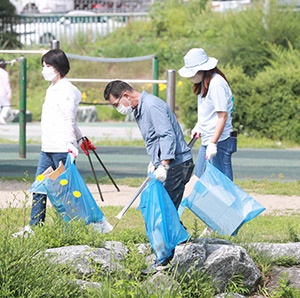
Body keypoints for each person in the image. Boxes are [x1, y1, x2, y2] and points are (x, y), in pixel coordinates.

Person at [103, 80, 194, 268]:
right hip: (166, 163)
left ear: (126, 96)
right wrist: (155, 160)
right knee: (163, 210)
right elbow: (153, 138)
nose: (117, 108)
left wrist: (165, 164)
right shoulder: (139, 109)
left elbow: (166, 135)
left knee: (163, 212)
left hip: (176, 165)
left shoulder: (152, 106)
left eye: (116, 104)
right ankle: (176, 249)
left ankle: (168, 257)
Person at [13, 49, 86, 237]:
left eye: (48, 66)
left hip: (62, 148)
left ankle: (74, 227)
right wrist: (80, 138)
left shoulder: (67, 90)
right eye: (43, 66)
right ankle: (35, 226)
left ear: (58, 67)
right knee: (40, 187)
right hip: (48, 148)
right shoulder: (51, 88)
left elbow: (69, 118)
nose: (44, 70)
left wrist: (73, 142)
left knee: (66, 191)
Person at [178, 48, 236, 181]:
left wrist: (213, 143)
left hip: (220, 141)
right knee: (200, 176)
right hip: (208, 139)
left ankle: (230, 203)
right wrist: (199, 126)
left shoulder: (217, 84)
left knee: (223, 184)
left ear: (201, 70)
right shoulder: (205, 84)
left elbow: (223, 116)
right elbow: (208, 111)